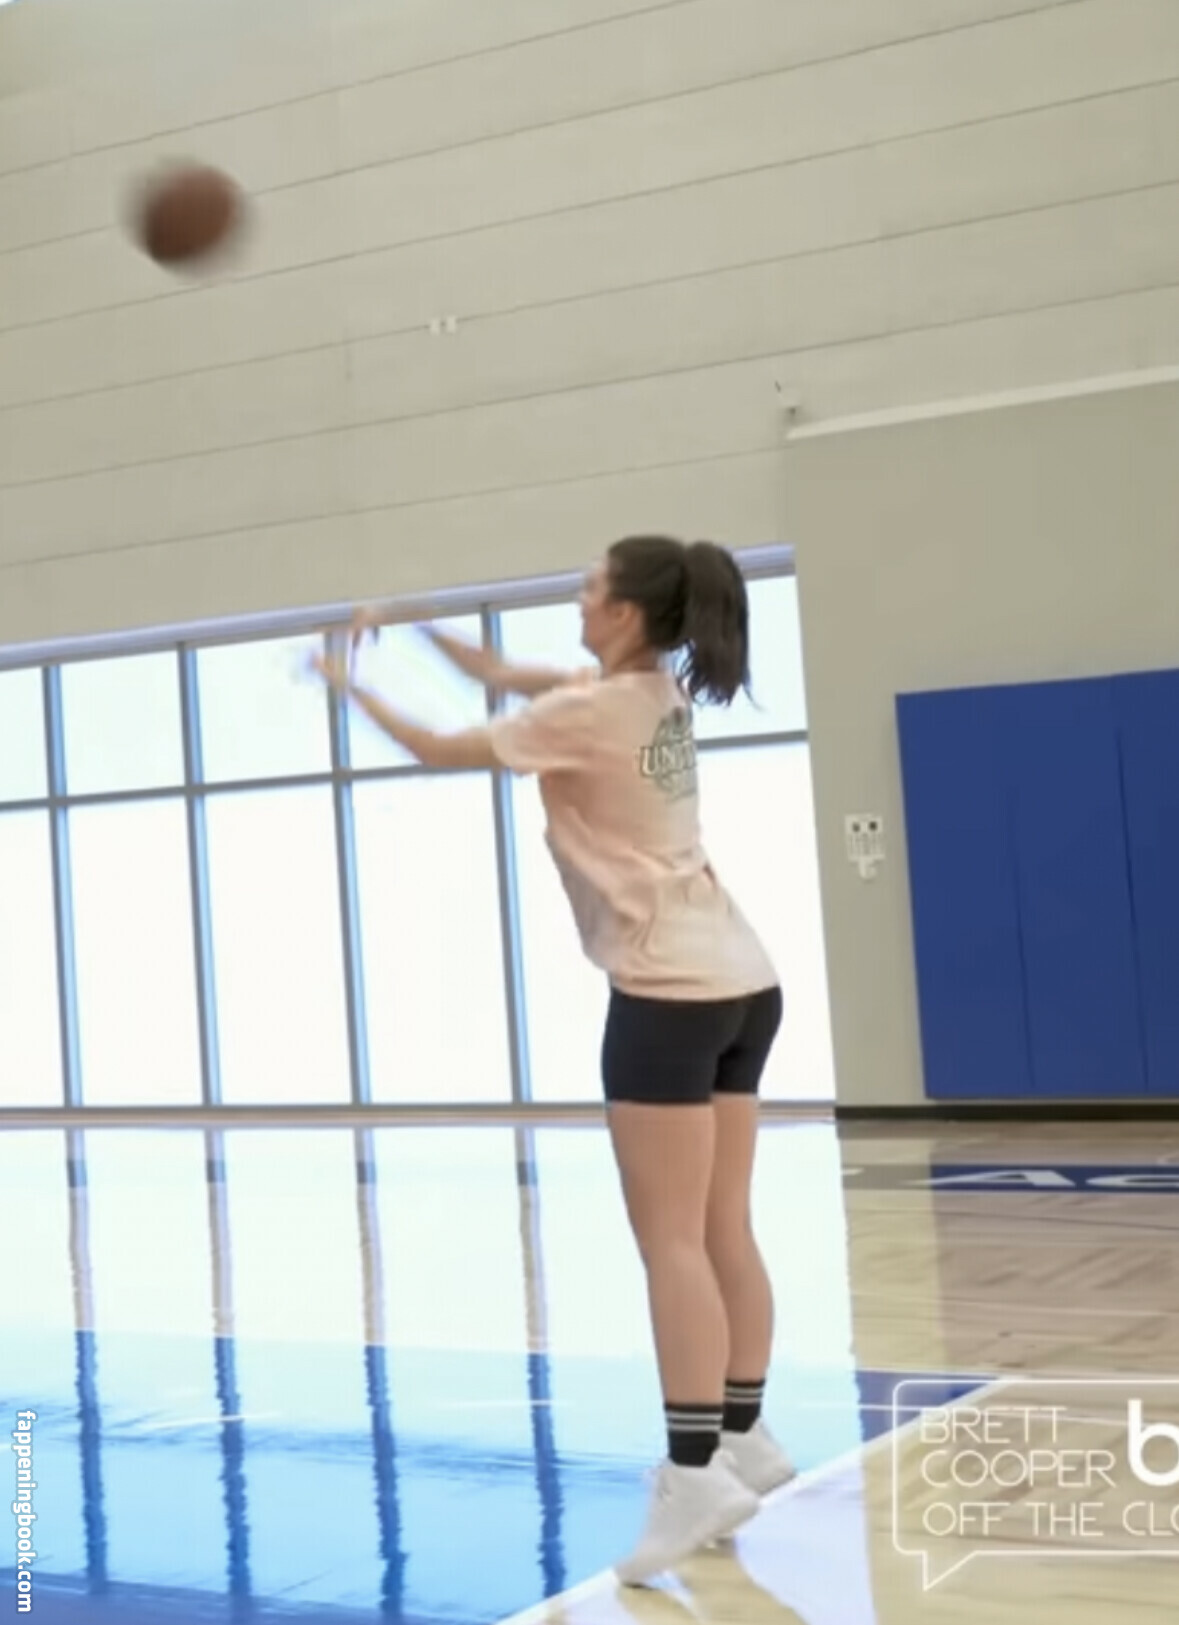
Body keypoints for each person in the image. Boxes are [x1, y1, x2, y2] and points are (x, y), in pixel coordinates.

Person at [312, 535, 794, 1584]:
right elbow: (495, 672)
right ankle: (744, 1432)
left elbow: (435, 746)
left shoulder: (588, 711)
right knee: (723, 1224)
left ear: (623, 612)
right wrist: (413, 618)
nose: (576, 599)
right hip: (745, 982)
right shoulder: (652, 692)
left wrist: (346, 683)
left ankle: (693, 1472)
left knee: (672, 1242)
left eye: (588, 587)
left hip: (667, 994)